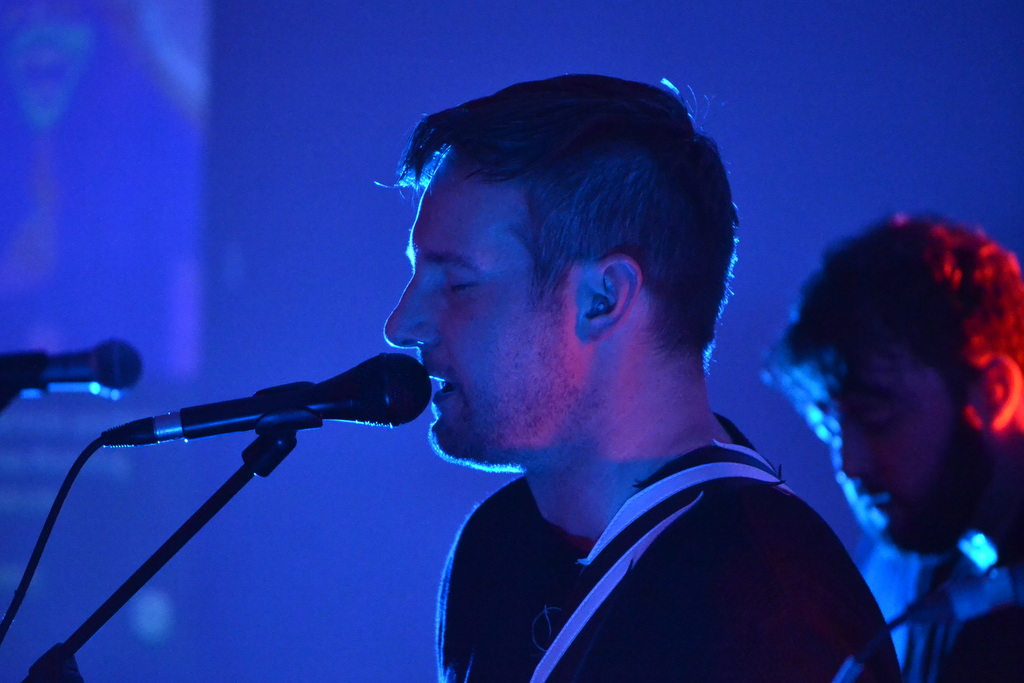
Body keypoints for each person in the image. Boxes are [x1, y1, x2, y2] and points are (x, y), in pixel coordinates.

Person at [384, 74, 900, 682]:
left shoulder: (773, 605)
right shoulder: (497, 542)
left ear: (603, 298)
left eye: (458, 283)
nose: (401, 325)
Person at [765, 215, 1024, 681]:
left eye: (877, 419)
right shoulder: (908, 563)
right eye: (830, 430)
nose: (849, 465)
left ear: (995, 393)